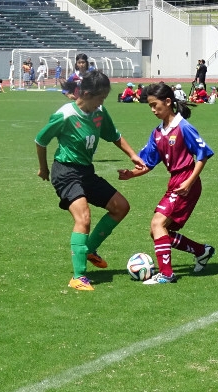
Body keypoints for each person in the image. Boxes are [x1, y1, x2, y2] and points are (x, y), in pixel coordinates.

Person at [35, 70, 145, 291]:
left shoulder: (99, 112)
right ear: (85, 93)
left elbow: (113, 134)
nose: (102, 103)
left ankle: (90, 249)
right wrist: (43, 168)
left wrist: (132, 155)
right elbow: (40, 140)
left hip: (86, 171)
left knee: (120, 207)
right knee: (83, 217)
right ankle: (78, 277)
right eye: (100, 98)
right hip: (65, 172)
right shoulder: (65, 115)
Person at [118, 82, 215, 284]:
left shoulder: (183, 127)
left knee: (157, 224)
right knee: (157, 231)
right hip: (176, 182)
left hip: (186, 181)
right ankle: (201, 251)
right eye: (150, 106)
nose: (153, 110)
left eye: (155, 105)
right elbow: (148, 163)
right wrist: (131, 174)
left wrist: (189, 181)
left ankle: (166, 274)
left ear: (168, 102)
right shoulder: (158, 133)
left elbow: (203, 155)